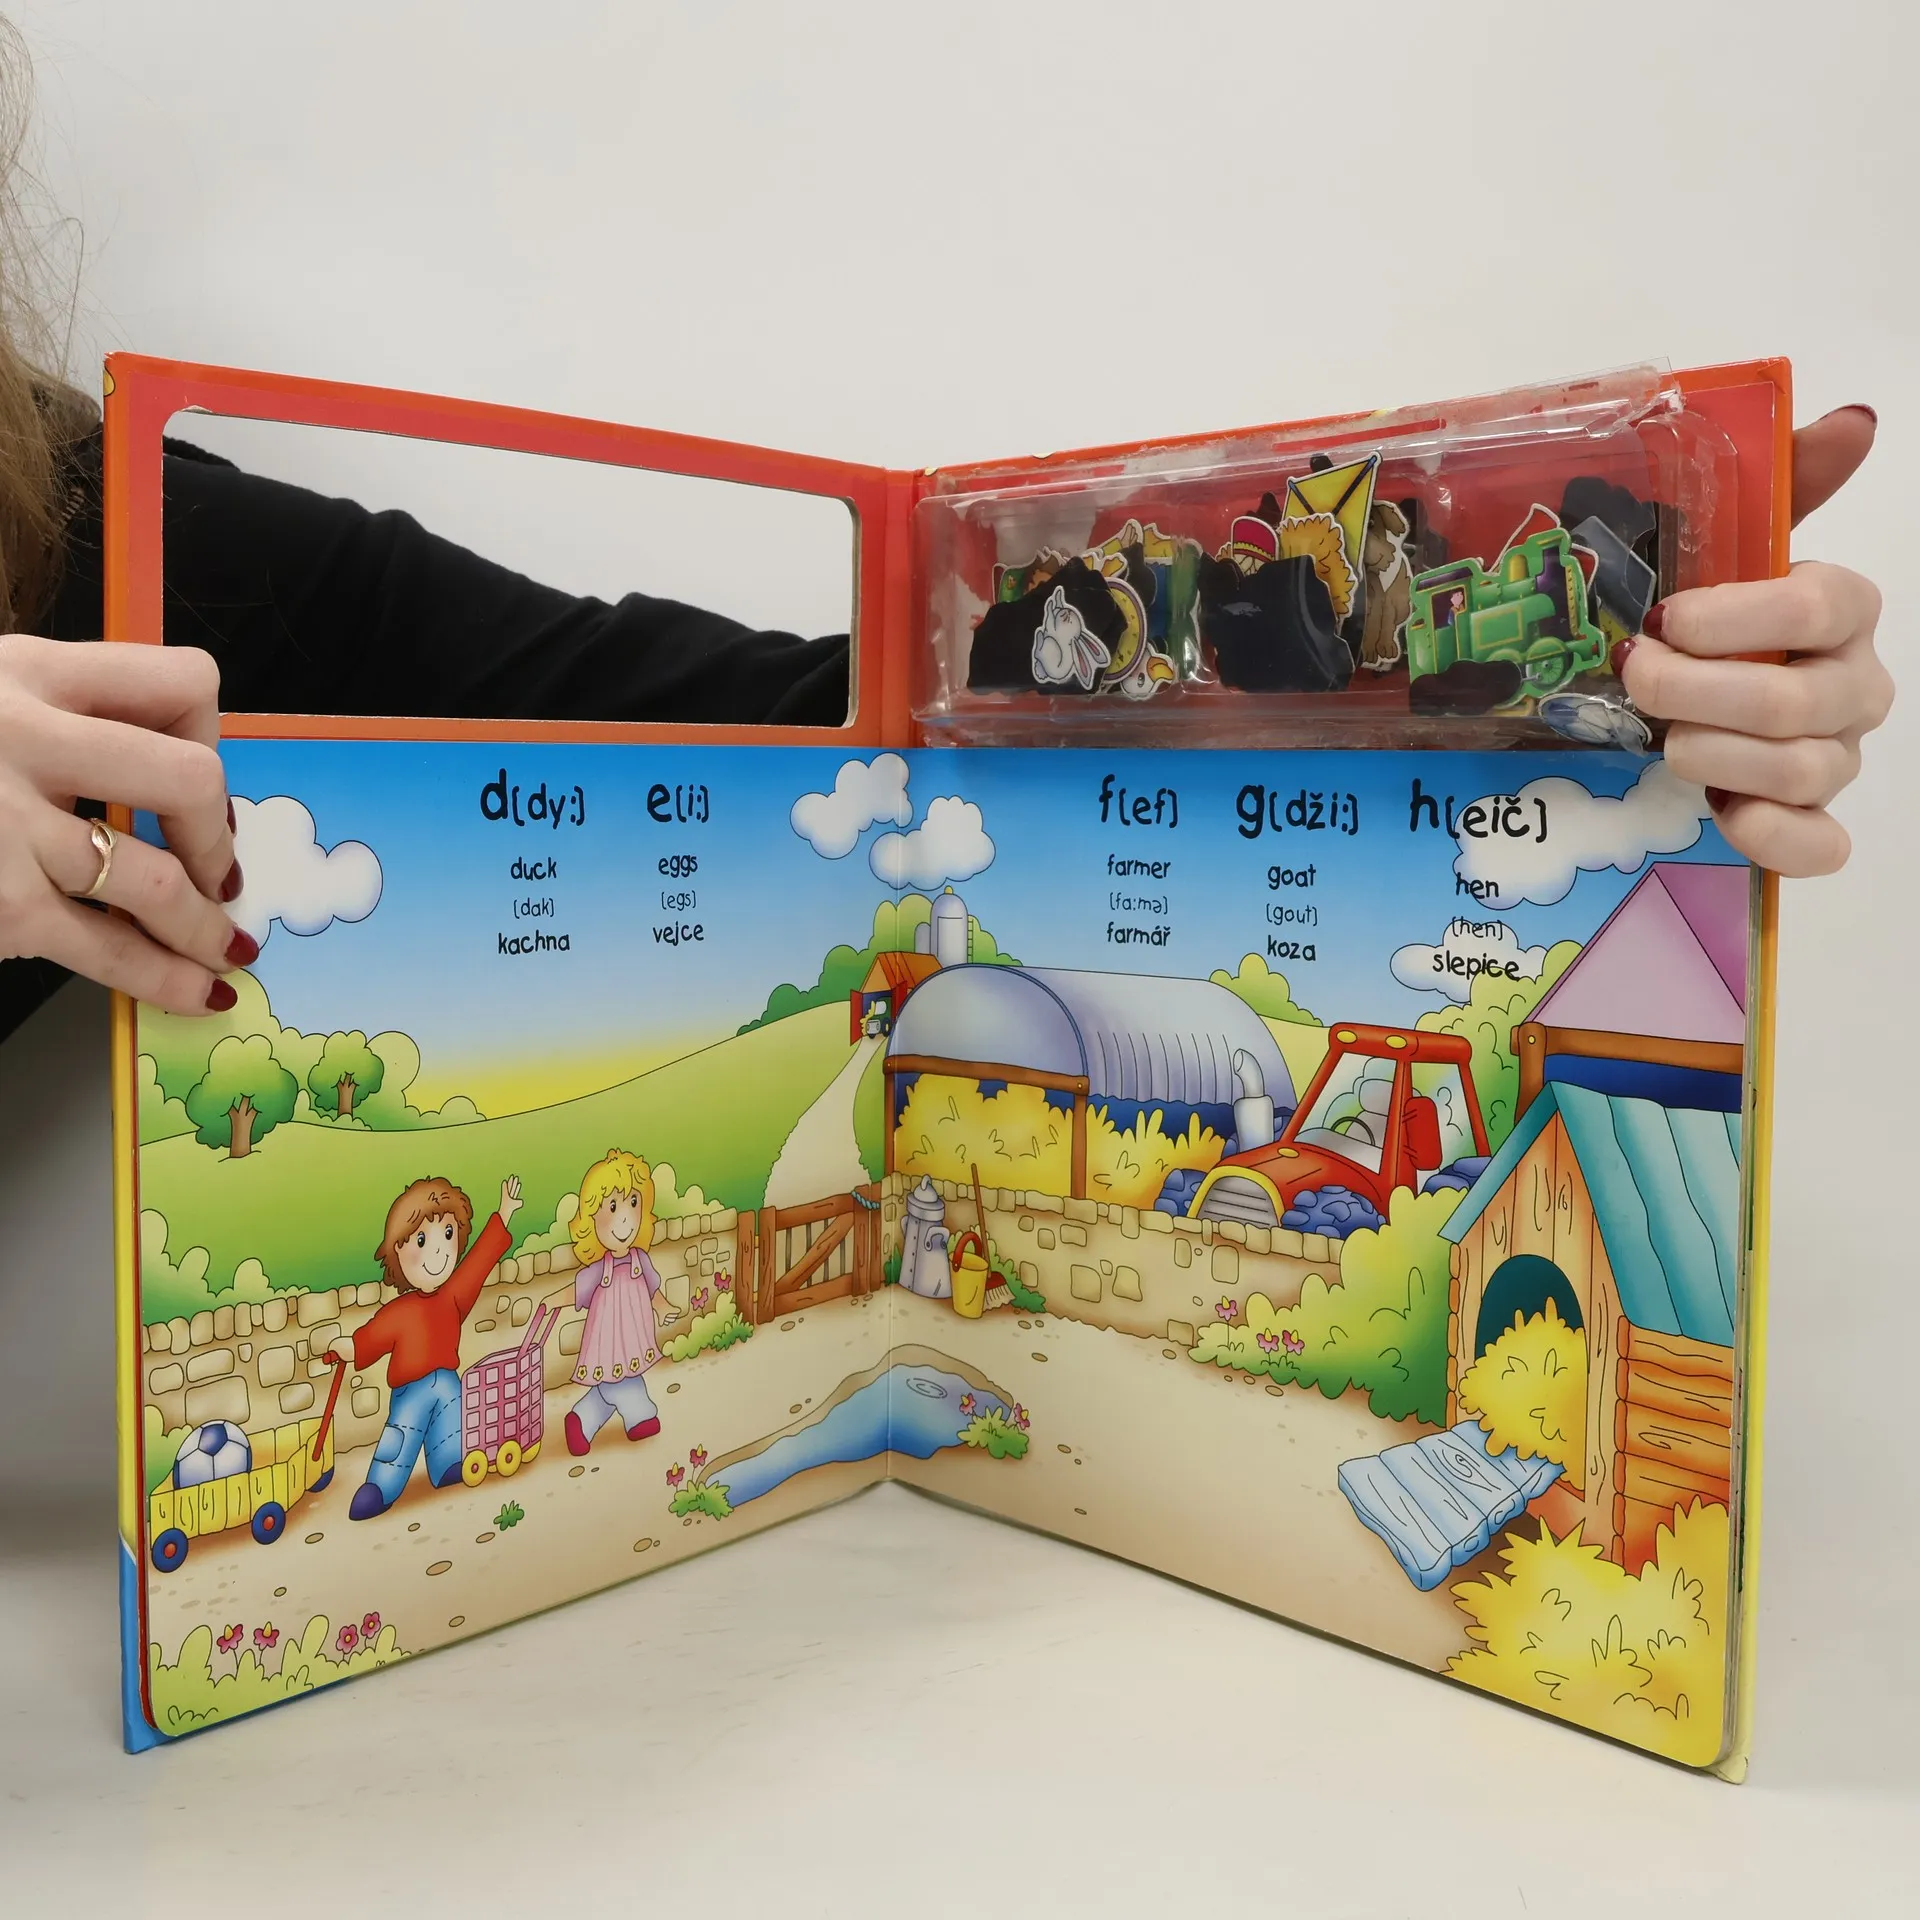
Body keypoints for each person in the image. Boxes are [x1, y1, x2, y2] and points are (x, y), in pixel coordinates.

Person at [344, 1173, 523, 1520]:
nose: (438, 1250)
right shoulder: (400, 1312)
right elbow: (371, 1337)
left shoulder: (453, 1296)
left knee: (452, 1425)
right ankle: (381, 1486)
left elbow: (479, 1262)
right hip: (411, 1392)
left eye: (448, 1234)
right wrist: (348, 1348)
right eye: (422, 1240)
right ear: (399, 1249)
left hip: (448, 1385)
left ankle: (448, 1465)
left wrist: (503, 1214)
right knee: (401, 1436)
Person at [557, 1150, 669, 1456]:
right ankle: (639, 1414)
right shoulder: (600, 1270)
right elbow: (575, 1291)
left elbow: (653, 1289)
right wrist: (552, 1301)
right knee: (622, 1383)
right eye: (613, 1206)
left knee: (610, 1387)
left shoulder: (640, 1260)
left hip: (633, 1339)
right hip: (609, 1344)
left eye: (633, 1202)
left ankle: (582, 1419)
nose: (625, 1217)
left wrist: (664, 1307)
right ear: (591, 1220)